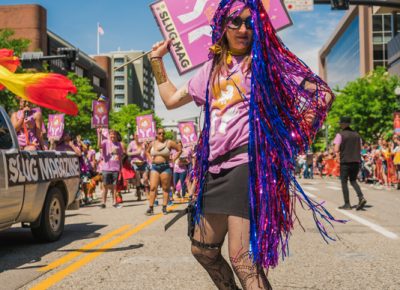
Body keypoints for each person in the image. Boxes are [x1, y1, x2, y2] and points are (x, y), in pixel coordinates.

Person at [150, 1, 337, 288]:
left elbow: (323, 94)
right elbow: (171, 99)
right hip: (213, 169)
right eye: (235, 22)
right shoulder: (211, 69)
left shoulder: (267, 64)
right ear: (222, 26)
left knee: (243, 260)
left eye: (250, 22)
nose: (242, 28)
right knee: (203, 250)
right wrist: (156, 61)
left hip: (246, 164)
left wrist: (293, 136)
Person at [145, 128, 181, 215]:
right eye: (160, 133)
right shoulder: (152, 143)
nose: (162, 135)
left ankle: (164, 207)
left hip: (165, 167)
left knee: (165, 188)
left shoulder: (169, 142)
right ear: (156, 134)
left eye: (163, 133)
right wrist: (150, 159)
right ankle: (151, 207)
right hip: (155, 167)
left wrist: (174, 159)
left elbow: (179, 149)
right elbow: (147, 152)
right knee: (153, 187)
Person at [334, 116, 367, 210]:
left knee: (344, 182)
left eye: (340, 123)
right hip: (356, 161)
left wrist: (339, 152)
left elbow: (336, 149)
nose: (340, 124)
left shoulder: (340, 135)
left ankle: (347, 204)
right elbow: (360, 148)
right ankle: (361, 197)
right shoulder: (357, 135)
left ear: (344, 124)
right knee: (353, 180)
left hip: (345, 161)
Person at [98, 129, 124, 209]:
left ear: (116, 136)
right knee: (105, 186)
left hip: (115, 168)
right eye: (111, 135)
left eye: (114, 135)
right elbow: (99, 146)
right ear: (109, 135)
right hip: (106, 168)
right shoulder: (105, 142)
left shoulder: (119, 144)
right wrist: (99, 134)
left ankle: (114, 202)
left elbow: (120, 156)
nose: (112, 136)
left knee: (114, 186)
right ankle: (103, 203)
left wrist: (121, 167)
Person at [127, 134, 149, 200]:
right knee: (138, 179)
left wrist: (146, 146)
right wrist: (136, 153)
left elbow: (148, 152)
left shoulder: (143, 142)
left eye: (139, 136)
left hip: (144, 162)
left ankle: (147, 194)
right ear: (134, 136)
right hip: (135, 163)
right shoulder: (131, 143)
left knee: (145, 179)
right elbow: (127, 153)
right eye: (136, 136)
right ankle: (139, 195)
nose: (138, 137)